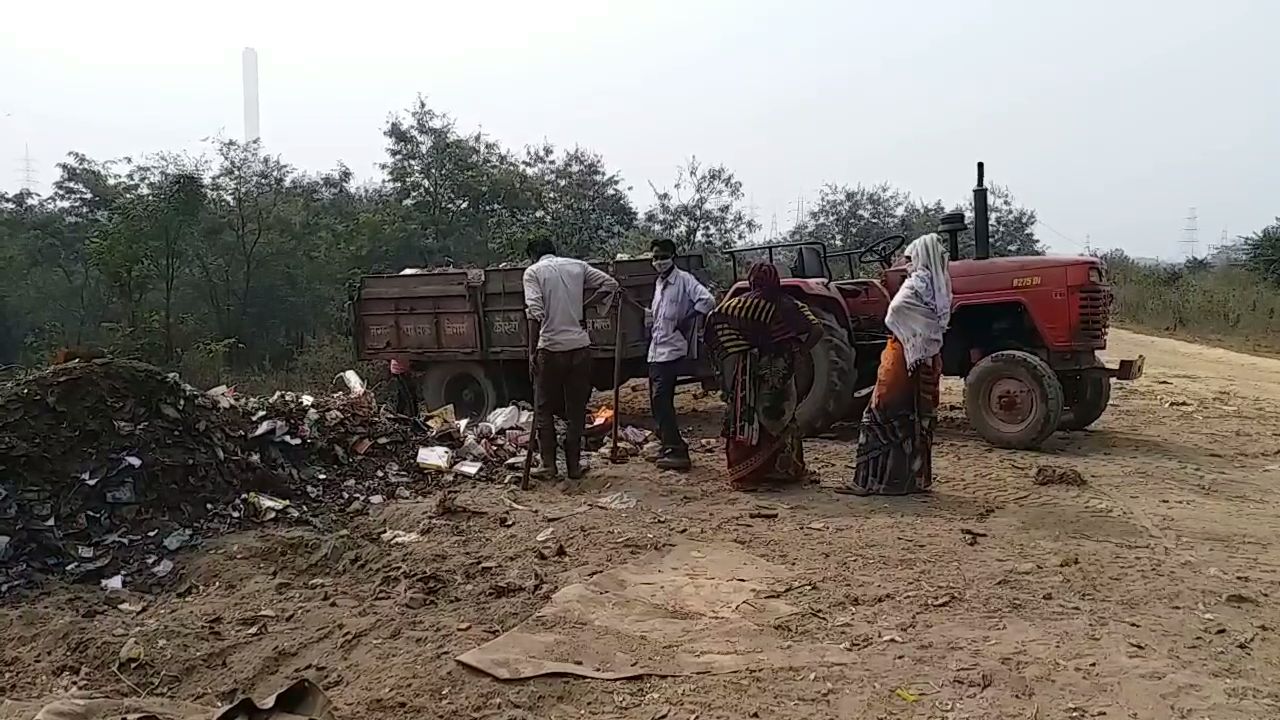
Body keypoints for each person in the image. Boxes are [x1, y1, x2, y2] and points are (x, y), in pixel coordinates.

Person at [839, 233, 952, 496]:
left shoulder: (914, 287)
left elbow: (894, 313)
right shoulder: (938, 288)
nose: (907, 264)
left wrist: (907, 334)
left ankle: (870, 482)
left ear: (922, 259)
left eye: (911, 259)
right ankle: (912, 479)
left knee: (879, 414)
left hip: (902, 354)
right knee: (915, 415)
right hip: (925, 356)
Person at [704, 262, 823, 490]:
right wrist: (800, 350)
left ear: (751, 281)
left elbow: (713, 321)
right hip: (781, 369)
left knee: (746, 416)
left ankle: (747, 474)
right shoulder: (789, 304)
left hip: (749, 372)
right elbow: (817, 329)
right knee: (783, 415)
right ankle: (785, 470)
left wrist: (738, 350)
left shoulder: (738, 306)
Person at [522, 237, 619, 481]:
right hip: (580, 347)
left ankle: (548, 465)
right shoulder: (578, 266)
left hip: (551, 348)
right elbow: (610, 284)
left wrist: (531, 352)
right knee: (575, 409)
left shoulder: (533, 272)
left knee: (543, 407)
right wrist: (585, 306)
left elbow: (535, 313)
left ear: (533, 255)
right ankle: (574, 467)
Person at [646, 238, 715, 470]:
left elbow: (707, 300)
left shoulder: (684, 280)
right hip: (656, 350)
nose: (659, 261)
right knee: (656, 402)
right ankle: (667, 445)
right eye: (655, 257)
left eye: (663, 256)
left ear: (672, 256)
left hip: (673, 348)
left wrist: (687, 320)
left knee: (662, 400)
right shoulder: (658, 283)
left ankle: (677, 450)